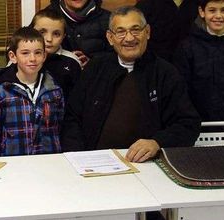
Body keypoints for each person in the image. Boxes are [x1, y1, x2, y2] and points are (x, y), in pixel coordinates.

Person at [61, 6, 200, 163]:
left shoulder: (165, 73)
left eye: (136, 30)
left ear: (147, 32)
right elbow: (72, 117)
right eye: (120, 32)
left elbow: (188, 124)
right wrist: (77, 156)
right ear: (110, 37)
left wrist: (157, 143)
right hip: (94, 162)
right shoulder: (95, 68)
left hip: (147, 165)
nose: (129, 38)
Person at [0, 27, 64, 157]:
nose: (32, 58)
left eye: (38, 53)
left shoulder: (54, 90)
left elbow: (59, 128)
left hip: (49, 163)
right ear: (13, 57)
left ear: (44, 56)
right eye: (25, 53)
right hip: (13, 165)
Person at [28, 8, 82, 99]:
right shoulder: (20, 59)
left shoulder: (72, 61)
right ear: (31, 31)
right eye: (42, 32)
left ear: (63, 36)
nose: (49, 39)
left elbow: (79, 97)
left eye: (56, 34)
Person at [46, 0, 112, 66]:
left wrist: (93, 64)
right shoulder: (45, 17)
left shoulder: (109, 19)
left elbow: (115, 59)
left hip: (97, 74)